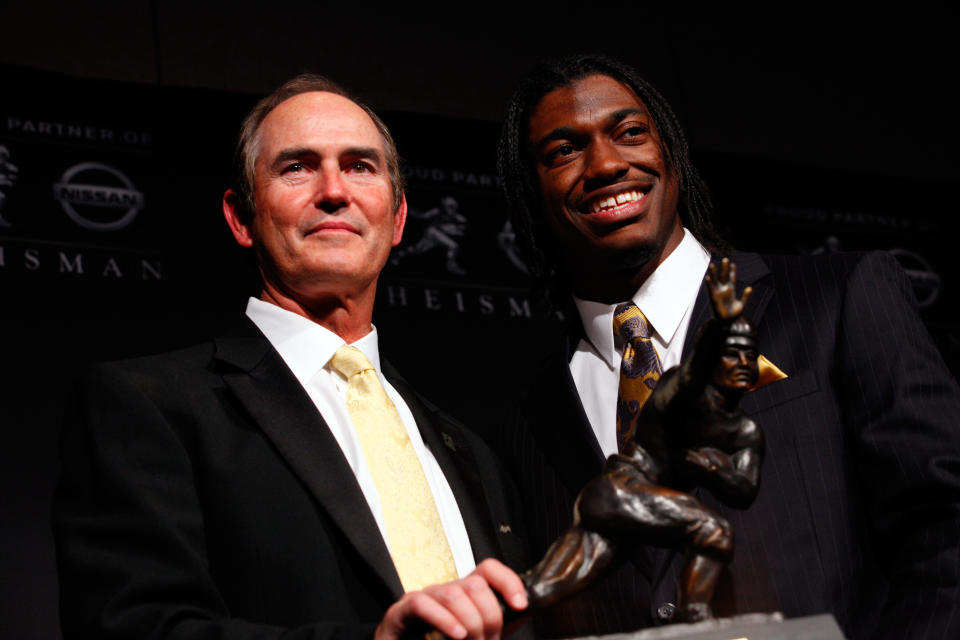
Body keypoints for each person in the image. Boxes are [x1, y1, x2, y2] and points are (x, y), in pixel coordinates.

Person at [494, 54, 960, 640]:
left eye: (630, 132)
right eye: (564, 151)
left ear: (673, 156)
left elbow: (945, 521)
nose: (607, 164)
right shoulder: (523, 417)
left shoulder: (840, 298)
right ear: (530, 193)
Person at [52, 74, 529, 640]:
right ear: (241, 218)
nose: (334, 191)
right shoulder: (149, 406)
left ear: (397, 219)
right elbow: (132, 628)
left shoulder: (470, 450)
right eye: (297, 167)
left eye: (360, 166)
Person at [523, 259, 765, 624]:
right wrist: (721, 325)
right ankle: (695, 615)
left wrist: (711, 467)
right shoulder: (678, 389)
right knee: (714, 530)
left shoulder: (746, 431)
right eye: (732, 353)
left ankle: (479, 613)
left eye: (750, 354)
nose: (744, 362)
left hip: (623, 508)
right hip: (619, 489)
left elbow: (744, 488)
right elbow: (693, 374)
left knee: (544, 587)